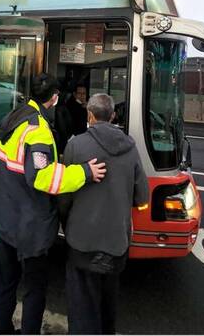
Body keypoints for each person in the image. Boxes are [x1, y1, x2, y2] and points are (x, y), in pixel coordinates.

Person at [0, 73, 107, 335]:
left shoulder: (16, 116)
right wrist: (84, 172)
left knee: (5, 283)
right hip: (29, 226)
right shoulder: (38, 131)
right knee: (34, 289)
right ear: (55, 98)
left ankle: (3, 331)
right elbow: (42, 177)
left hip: (5, 218)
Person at [59, 93, 149, 334]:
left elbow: (64, 198)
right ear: (113, 116)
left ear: (89, 115)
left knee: (81, 308)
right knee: (107, 306)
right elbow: (142, 197)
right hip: (117, 243)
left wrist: (66, 226)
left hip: (81, 241)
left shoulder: (75, 145)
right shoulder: (130, 147)